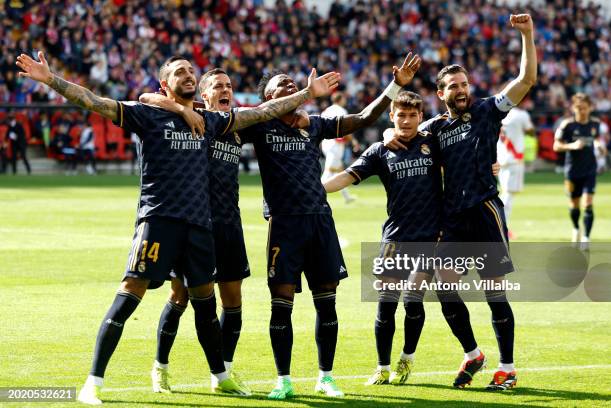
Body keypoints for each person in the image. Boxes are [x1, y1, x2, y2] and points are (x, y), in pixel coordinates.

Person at [16, 51, 339, 405]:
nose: (188, 74)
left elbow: (261, 112)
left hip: (200, 228)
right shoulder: (148, 115)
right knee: (130, 295)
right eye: (180, 72)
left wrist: (307, 95)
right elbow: (96, 102)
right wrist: (51, 80)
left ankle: (221, 376)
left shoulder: (212, 121)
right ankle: (94, 381)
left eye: (191, 70)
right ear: (165, 85)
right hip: (159, 221)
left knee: (204, 305)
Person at [235, 52, 421, 400]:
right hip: (284, 224)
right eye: (282, 87)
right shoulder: (259, 125)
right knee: (282, 304)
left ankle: (325, 377)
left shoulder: (315, 124)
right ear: (268, 99)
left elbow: (365, 117)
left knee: (327, 303)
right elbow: (230, 121)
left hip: (320, 221)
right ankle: (283, 380)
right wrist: (305, 94)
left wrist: (396, 86)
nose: (290, 86)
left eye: (293, 83)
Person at [385, 14, 536, 391]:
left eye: (465, 83)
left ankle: (508, 368)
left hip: (484, 211)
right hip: (452, 219)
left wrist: (528, 36)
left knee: (493, 292)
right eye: (453, 85)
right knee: (444, 287)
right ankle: (472, 353)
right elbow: (402, 126)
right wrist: (390, 131)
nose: (462, 89)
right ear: (441, 93)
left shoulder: (487, 111)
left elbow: (526, 81)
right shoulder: (436, 128)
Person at [139, 68, 302, 395]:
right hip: (194, 224)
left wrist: (307, 115)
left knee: (233, 302)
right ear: (205, 95)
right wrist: (182, 107)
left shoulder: (240, 124)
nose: (226, 89)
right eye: (218, 86)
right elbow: (147, 97)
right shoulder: (195, 116)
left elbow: (273, 112)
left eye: (229, 85)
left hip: (230, 224)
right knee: (179, 297)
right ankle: (161, 367)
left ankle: (222, 372)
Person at [326, 91, 501, 387]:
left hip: (430, 236)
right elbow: (346, 176)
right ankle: (382, 367)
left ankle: (406, 359)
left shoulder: (431, 142)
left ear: (421, 118)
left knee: (411, 298)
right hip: (395, 237)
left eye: (412, 115)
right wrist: (313, 190)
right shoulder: (380, 151)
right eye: (400, 115)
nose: (406, 121)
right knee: (385, 304)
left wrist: (486, 166)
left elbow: (464, 155)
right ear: (392, 116)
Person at [553, 93, 606, 249]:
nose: (582, 111)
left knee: (588, 204)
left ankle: (586, 238)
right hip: (572, 171)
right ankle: (576, 228)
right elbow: (556, 146)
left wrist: (599, 146)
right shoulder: (567, 125)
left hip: (590, 169)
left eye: (584, 108)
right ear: (573, 108)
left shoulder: (595, 124)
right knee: (574, 205)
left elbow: (596, 139)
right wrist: (572, 146)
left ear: (590, 108)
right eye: (578, 108)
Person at [497, 100, 534, 237]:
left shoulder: (501, 114)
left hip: (501, 158)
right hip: (514, 159)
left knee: (504, 193)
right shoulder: (522, 115)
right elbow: (530, 131)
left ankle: (499, 226)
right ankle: (502, 229)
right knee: (508, 196)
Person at [321, 92, 357, 203]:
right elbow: (345, 129)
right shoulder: (341, 111)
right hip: (335, 144)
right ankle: (315, 194)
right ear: (340, 99)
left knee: (339, 172)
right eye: (344, 99)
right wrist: (354, 141)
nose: (345, 101)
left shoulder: (326, 110)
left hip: (325, 143)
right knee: (328, 171)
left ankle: (347, 197)